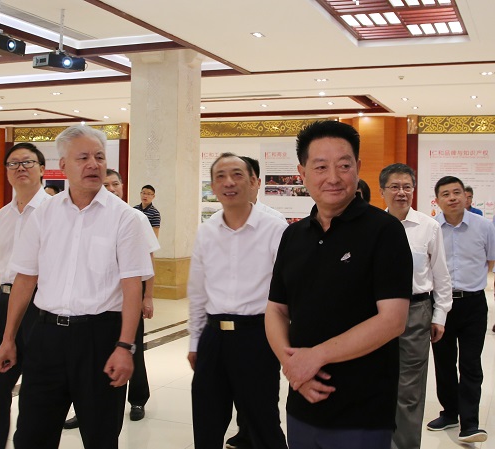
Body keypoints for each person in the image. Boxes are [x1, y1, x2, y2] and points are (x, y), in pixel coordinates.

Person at [0, 125, 153, 449]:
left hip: (100, 339)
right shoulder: (44, 214)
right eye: (83, 158)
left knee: (100, 437)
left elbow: (132, 287)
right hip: (46, 337)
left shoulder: (126, 218)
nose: (93, 164)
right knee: (32, 435)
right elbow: (25, 278)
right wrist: (8, 338)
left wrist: (125, 347)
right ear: (63, 165)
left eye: (99, 157)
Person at [265, 120, 412, 449]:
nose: (333, 177)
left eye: (344, 166)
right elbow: (276, 309)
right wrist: (293, 365)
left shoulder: (384, 231)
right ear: (302, 173)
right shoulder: (293, 235)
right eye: (320, 167)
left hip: (362, 410)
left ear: (357, 167)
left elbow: (393, 320)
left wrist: (314, 357)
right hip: (302, 400)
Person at [188, 153, 288, 449]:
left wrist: (287, 346)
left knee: (262, 421)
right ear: (213, 186)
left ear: (253, 181)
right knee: (206, 420)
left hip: (257, 337)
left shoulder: (274, 229)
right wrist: (195, 341)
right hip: (213, 337)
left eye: (237, 174)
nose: (228, 182)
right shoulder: (206, 232)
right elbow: (197, 291)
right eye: (220, 176)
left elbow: (288, 291)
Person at [63, 168, 160, 429]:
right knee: (93, 358)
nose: (111, 189)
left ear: (122, 186)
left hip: (129, 299)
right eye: (106, 185)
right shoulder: (88, 218)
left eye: (115, 184)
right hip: (98, 302)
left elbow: (149, 258)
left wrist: (148, 296)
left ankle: (137, 399)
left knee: (132, 349)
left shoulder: (135, 217)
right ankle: (84, 408)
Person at [0, 142, 49, 449]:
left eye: (27, 162)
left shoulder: (54, 212)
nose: (20, 168)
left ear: (42, 169)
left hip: (40, 306)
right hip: (4, 301)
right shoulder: (3, 214)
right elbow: (2, 262)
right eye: (13, 163)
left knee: (36, 391)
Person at [378, 164, 452, 449]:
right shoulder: (372, 226)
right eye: (395, 187)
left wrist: (440, 315)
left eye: (407, 187)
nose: (401, 192)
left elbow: (441, 274)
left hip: (416, 312)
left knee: (409, 388)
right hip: (376, 313)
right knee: (377, 382)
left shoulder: (428, 227)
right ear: (383, 191)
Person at [426, 176, 494, 443]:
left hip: (473, 304)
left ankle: (470, 423)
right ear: (437, 200)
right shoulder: (432, 228)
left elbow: (490, 260)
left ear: (466, 196)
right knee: (443, 362)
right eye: (446, 194)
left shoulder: (484, 226)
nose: (452, 198)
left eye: (457, 192)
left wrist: (472, 283)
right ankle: (449, 413)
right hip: (441, 305)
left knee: (470, 363)